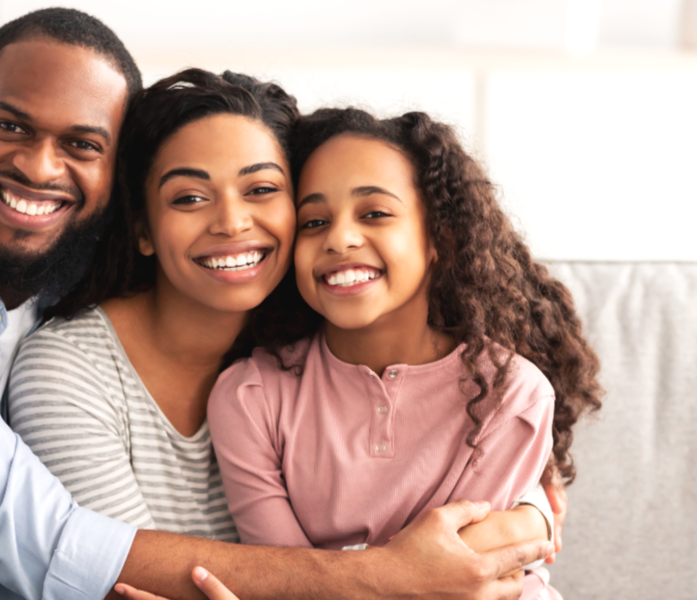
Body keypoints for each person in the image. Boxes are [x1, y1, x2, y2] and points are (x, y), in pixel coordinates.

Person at [0, 9, 553, 600]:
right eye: (10, 127)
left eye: (79, 144)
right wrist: (385, 580)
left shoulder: (53, 288)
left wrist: (528, 520)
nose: (40, 168)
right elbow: (53, 547)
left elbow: (463, 408)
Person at [8, 68, 554, 554]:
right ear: (143, 229)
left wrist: (533, 512)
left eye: (262, 189)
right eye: (190, 198)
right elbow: (122, 578)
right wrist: (400, 573)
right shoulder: (72, 373)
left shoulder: (340, 328)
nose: (232, 223)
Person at [202, 108, 604, 598]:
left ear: (439, 238)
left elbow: (456, 578)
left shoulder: (511, 395)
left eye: (374, 213)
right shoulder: (249, 396)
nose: (340, 238)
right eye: (314, 220)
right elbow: (283, 581)